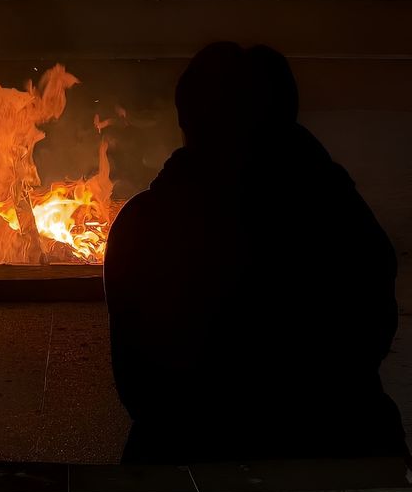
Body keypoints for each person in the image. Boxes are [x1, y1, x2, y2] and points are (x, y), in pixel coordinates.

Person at [104, 42, 408, 464]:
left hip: (188, 453)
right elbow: (372, 333)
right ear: (287, 116)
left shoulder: (143, 225)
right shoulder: (340, 213)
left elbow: (139, 385)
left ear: (186, 121)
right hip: (337, 445)